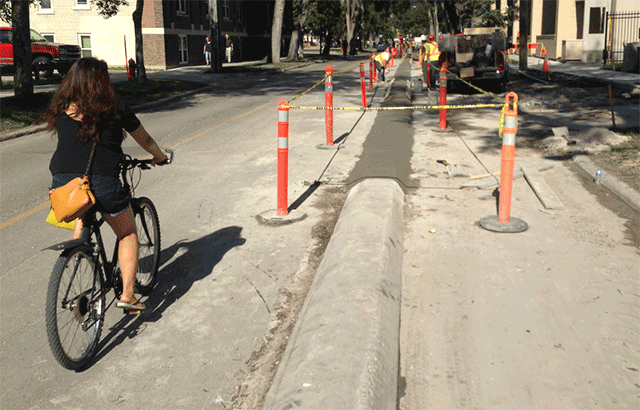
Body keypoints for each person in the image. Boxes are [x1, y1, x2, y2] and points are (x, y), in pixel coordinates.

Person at [44, 57, 168, 312]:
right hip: (102, 182)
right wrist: (159, 156)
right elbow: (144, 139)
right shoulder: (115, 109)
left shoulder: (61, 109)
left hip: (63, 185)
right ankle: (128, 295)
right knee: (127, 233)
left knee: (84, 208)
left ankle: (80, 252)